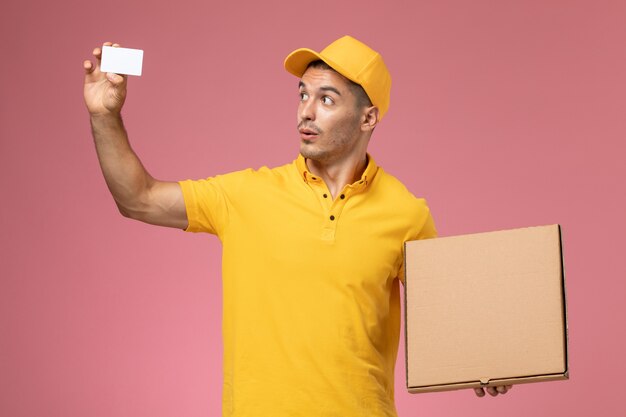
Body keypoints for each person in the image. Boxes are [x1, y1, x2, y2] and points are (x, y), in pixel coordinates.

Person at [83, 35, 511, 416]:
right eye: (302, 94)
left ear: (368, 119)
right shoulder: (246, 195)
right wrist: (105, 116)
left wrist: (486, 361)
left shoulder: (407, 213)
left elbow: (448, 321)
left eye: (326, 99)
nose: (306, 111)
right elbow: (137, 198)